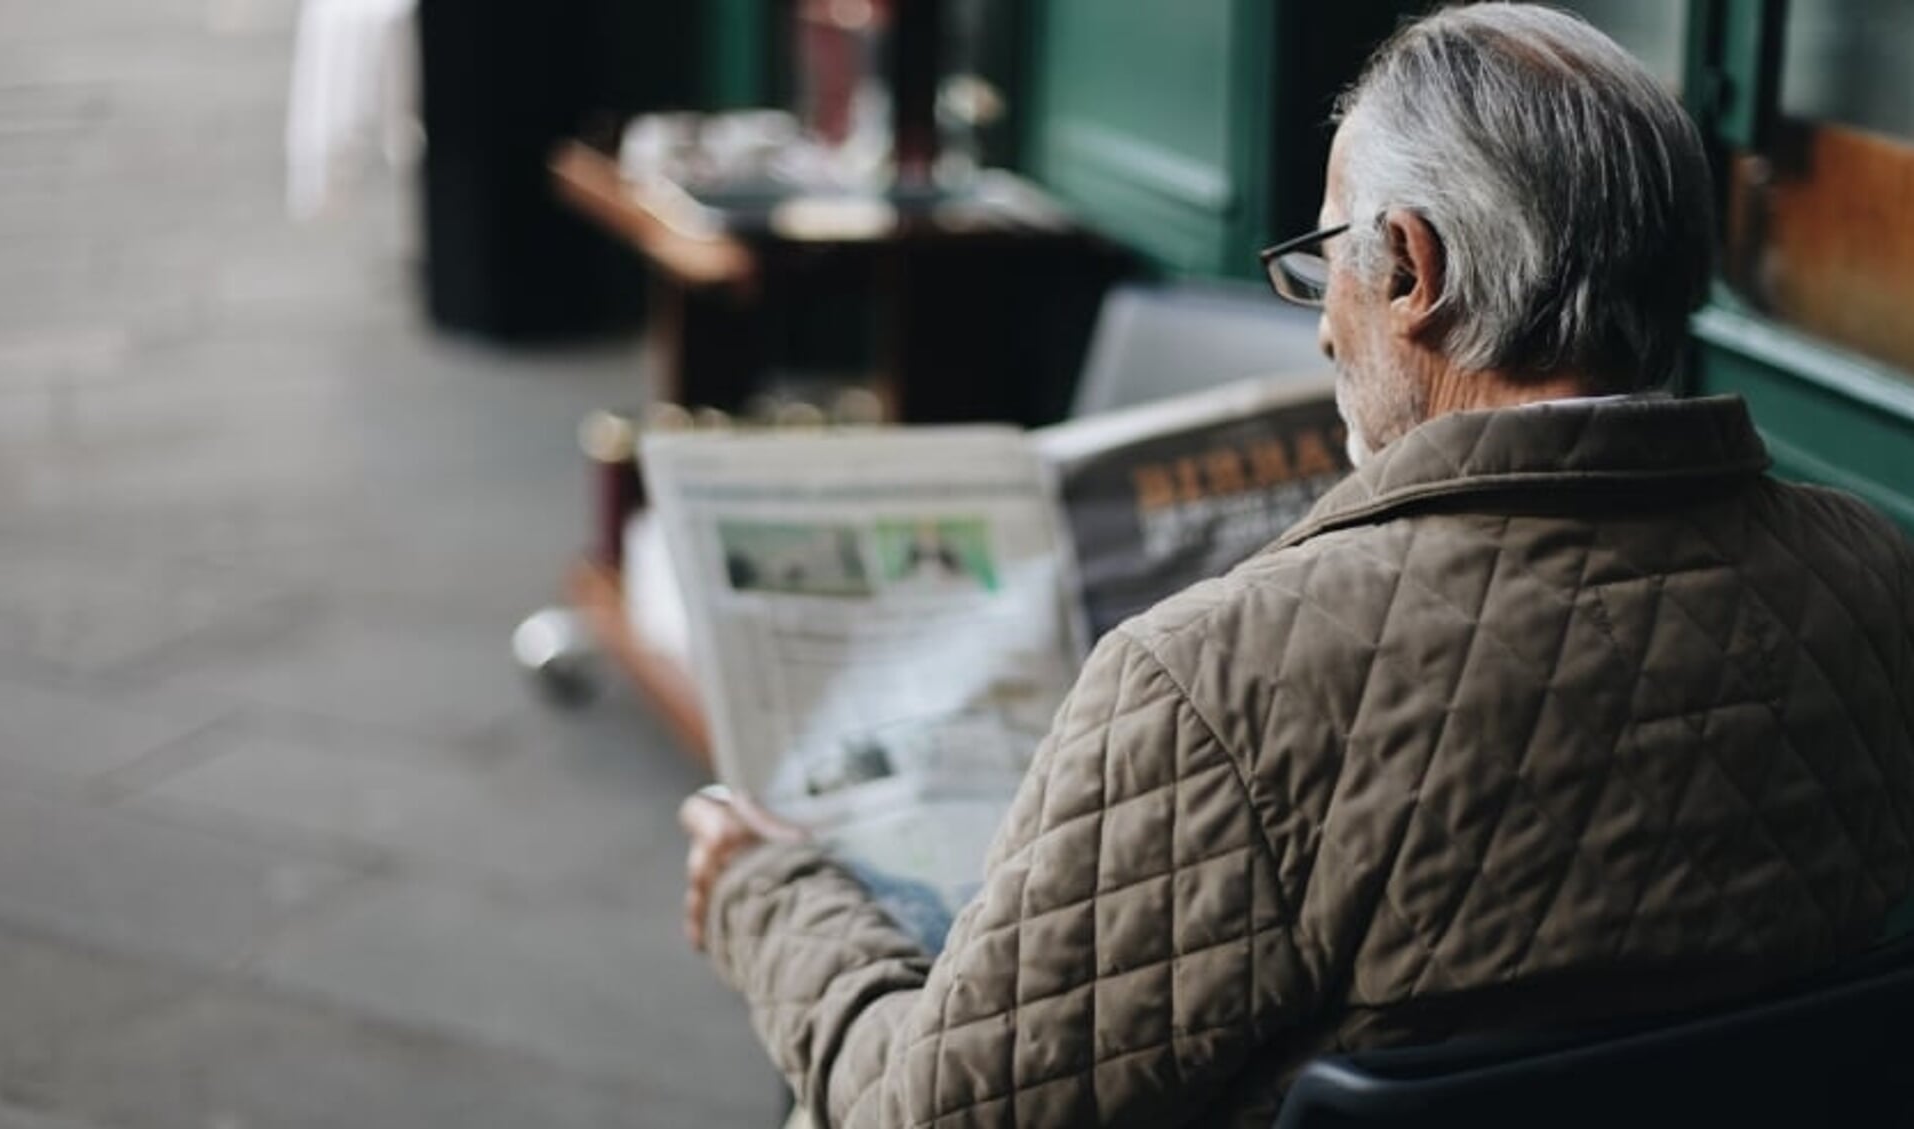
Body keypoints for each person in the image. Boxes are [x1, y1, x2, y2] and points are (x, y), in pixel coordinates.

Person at [678, 6, 1914, 1125]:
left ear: (1413, 270)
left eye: (1328, 259)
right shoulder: (1872, 575)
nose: (1320, 318)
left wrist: (767, 895)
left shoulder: (1217, 680)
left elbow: (928, 1117)